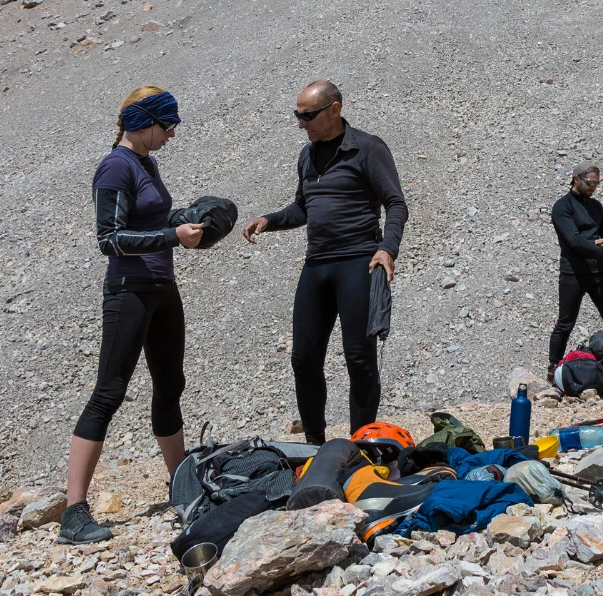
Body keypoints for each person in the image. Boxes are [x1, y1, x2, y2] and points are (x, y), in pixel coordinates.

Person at [60, 86, 206, 545]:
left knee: (170, 386)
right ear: (143, 123)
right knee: (109, 392)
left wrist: (190, 219)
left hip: (162, 287)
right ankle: (73, 512)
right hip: (129, 290)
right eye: (168, 127)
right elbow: (110, 238)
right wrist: (171, 236)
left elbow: (152, 221)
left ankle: (181, 489)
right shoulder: (115, 166)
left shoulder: (147, 162)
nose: (172, 136)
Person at [242, 81, 407, 446]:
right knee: (303, 357)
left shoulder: (368, 148)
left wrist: (387, 249)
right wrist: (269, 220)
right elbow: (304, 206)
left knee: (358, 359)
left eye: (308, 115)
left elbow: (396, 203)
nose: (302, 123)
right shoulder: (307, 155)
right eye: (297, 116)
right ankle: (315, 445)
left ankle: (359, 445)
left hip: (358, 262)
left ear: (335, 109)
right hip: (317, 265)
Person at [548, 162, 603, 375]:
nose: (593, 188)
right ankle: (553, 368)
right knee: (566, 322)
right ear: (576, 178)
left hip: (598, 272)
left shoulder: (595, 206)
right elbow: (575, 241)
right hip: (573, 274)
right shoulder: (562, 206)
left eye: (596, 184)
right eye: (590, 183)